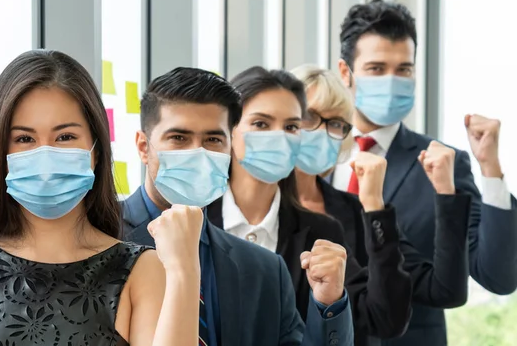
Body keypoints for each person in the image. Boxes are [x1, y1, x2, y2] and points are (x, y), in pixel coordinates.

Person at [0, 50, 202, 346]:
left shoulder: (142, 272)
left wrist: (184, 270)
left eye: (65, 137)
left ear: (96, 150)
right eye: (24, 139)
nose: (45, 155)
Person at [122, 67, 354, 346]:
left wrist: (329, 304)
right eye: (179, 138)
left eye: (213, 140)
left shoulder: (265, 269)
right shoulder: (97, 238)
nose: (198, 152)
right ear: (144, 147)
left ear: (230, 145)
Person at [335, 0, 517, 345]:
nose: (392, 81)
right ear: (346, 73)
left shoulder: (444, 165)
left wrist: (490, 170)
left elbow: (499, 276)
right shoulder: (317, 159)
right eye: (376, 68)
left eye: (403, 69)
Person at [205, 66, 412, 346]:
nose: (279, 137)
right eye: (261, 124)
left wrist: (332, 300)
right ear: (227, 130)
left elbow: (378, 319)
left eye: (291, 126)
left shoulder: (323, 229)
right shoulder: (193, 218)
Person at [291, 65, 472, 340]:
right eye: (309, 117)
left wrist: (444, 192)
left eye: (336, 123)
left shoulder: (353, 211)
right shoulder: (257, 206)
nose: (320, 132)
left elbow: (442, 290)